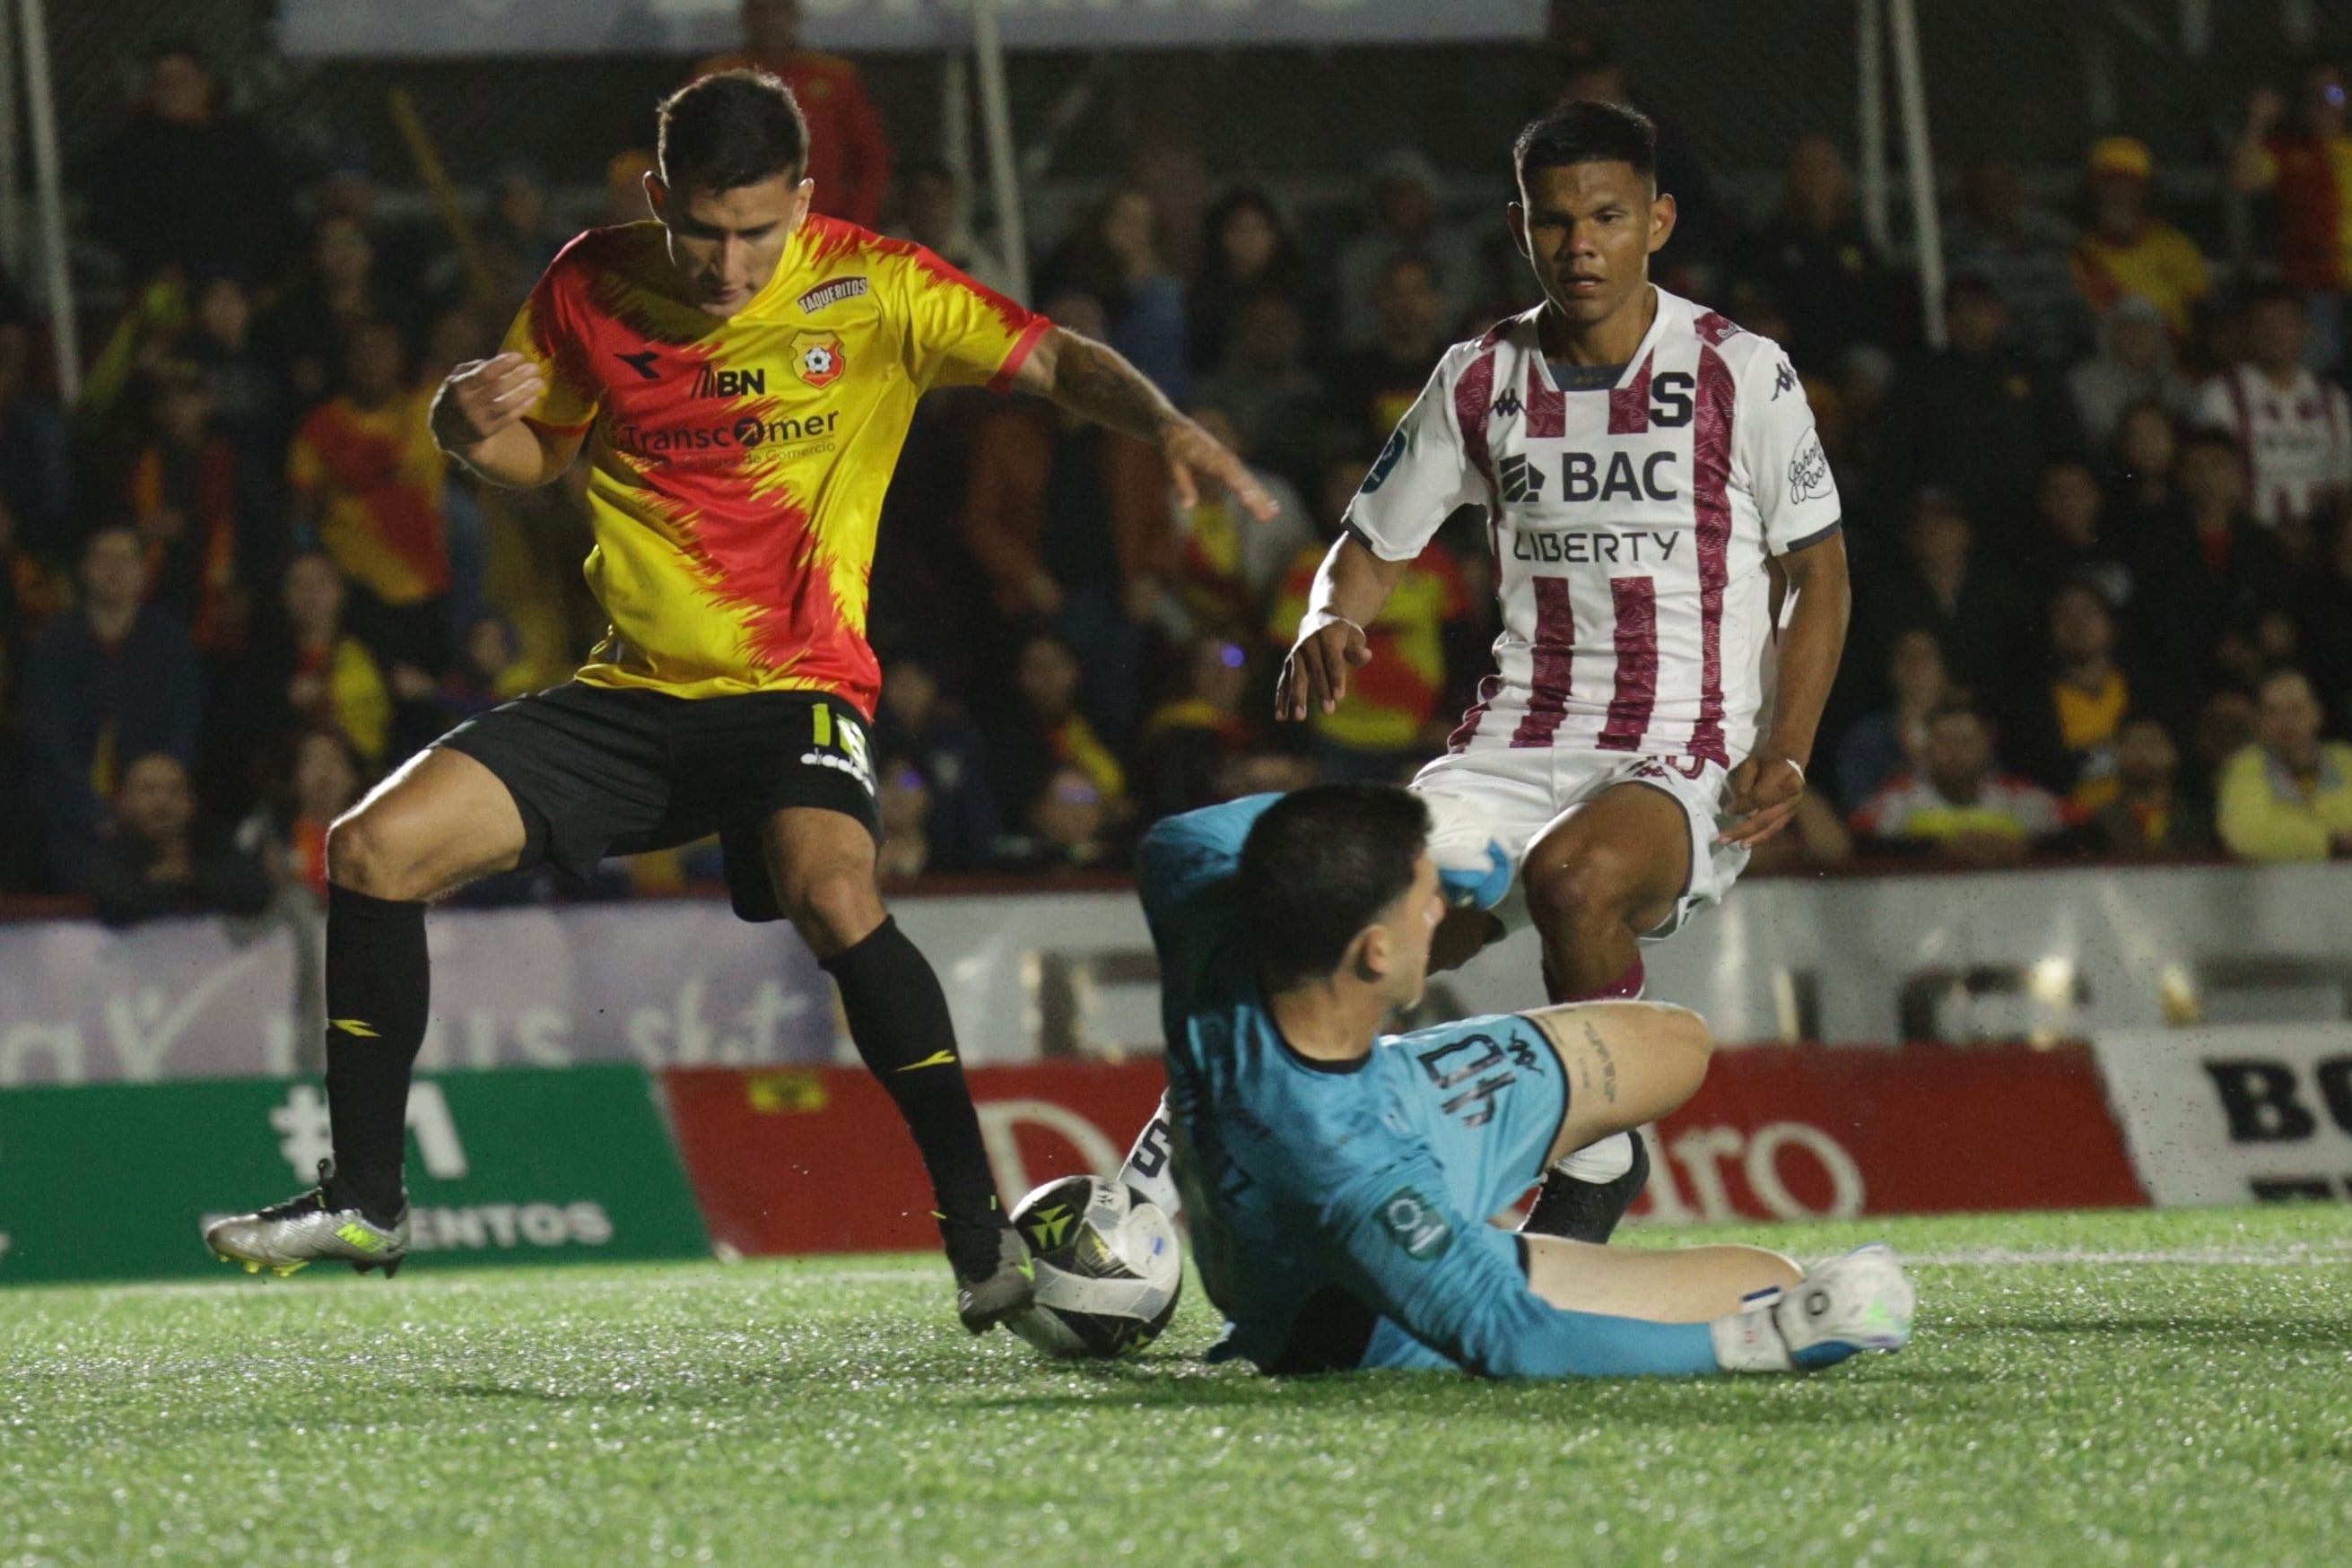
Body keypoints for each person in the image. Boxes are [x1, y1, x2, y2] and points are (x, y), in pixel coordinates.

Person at [203, 70, 1272, 1330]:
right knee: (370, 849)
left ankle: (976, 1231)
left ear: (802, 201)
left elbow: (1056, 359)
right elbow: (539, 452)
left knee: (834, 891)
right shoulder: (591, 282)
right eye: (703, 231)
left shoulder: (879, 286)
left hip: (795, 687)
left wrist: (1165, 424)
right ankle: (368, 1198)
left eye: (756, 231)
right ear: (658, 197)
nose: (726, 264)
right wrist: (460, 424)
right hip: (633, 694)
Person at [1276, 102, 1851, 1224]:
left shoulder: (1741, 371)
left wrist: (1787, 744)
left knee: (1576, 879)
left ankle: (1598, 1159)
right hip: (1511, 742)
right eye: (1554, 221)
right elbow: (1371, 545)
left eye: (1607, 217)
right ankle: (1202, 1197)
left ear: (1659, 221)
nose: (1580, 244)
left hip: (1681, 746)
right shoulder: (1479, 376)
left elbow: (1817, 573)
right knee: (1355, 934)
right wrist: (1326, 616)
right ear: (1518, 227)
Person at [1106, 786, 1914, 1379]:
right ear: (1375, 952)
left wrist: (1413, 818)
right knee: (1765, 1284)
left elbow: (1177, 836)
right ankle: (1506, 1245)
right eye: (1427, 898)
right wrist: (1772, 1338)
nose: (1447, 908)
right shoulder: (1349, 1174)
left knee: (1675, 1044)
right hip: (1356, 1308)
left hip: (1392, 1089)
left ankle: (1591, 1173)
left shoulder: (1205, 907)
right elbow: (1514, 1338)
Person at [20, 527, 203, 887]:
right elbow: (48, 734)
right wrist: (92, 807)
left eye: (125, 560)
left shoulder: (169, 641)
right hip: (71, 812)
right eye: (103, 560)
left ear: (143, 571)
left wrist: (159, 796)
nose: (113, 570)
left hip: (156, 811)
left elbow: (185, 723)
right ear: (85, 570)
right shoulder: (55, 643)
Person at [288, 320, 453, 678]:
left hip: (425, 582)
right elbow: (302, 505)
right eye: (361, 352)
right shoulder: (323, 426)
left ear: (399, 358)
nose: (371, 360)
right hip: (356, 592)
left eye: (381, 351)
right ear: (346, 360)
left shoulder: (427, 412)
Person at [1873, 275, 2083, 549]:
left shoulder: (2032, 371)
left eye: (1978, 308)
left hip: (2032, 515)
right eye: (1958, 311)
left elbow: (2066, 442)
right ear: (1946, 320)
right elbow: (1896, 458)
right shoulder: (1920, 380)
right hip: (1953, 521)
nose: (1969, 319)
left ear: (1999, 314)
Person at [81, 41, 295, 287]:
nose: (172, 89)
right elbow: (109, 219)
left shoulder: (243, 141)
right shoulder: (131, 149)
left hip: (247, 277)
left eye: (181, 79)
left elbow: (273, 208)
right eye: (163, 82)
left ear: (205, 84)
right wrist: (157, 264)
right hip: (168, 281)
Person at [691, 0, 892, 230]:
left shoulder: (835, 78)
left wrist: (857, 224)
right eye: (761, 10)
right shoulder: (713, 78)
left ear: (794, 15)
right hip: (736, 230)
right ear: (746, 17)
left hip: (820, 229)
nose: (771, 20)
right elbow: (683, 154)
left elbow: (872, 161)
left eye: (780, 9)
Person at [1724, 135, 1898, 375]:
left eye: (1824, 167)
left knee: (1868, 368)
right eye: (1806, 167)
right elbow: (1748, 297)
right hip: (1786, 353)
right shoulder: (1768, 241)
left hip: (1845, 349)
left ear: (1840, 177)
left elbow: (1874, 309)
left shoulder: (1856, 241)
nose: (1814, 177)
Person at [2191, 284, 2351, 536]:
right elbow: (2206, 481)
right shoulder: (2220, 396)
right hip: (2249, 540)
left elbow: (2343, 478)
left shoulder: (2332, 400)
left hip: (2322, 542)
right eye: (2264, 324)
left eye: (2284, 323)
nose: (2274, 334)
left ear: (2305, 330)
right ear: (2248, 332)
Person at [2229, 63, 2352, 370]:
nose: (2323, 103)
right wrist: (2258, 122)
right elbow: (2243, 180)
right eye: (2313, 95)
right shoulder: (2289, 151)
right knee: (2316, 362)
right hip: (2314, 286)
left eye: (2333, 94)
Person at [1851, 701, 2075, 867]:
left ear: (1988, 742)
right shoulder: (1899, 799)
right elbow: (1854, 844)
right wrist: (1935, 849)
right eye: (1944, 740)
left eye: (1966, 740)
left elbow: (2086, 832)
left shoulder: (2020, 797)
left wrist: (2028, 846)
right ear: (1928, 746)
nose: (1956, 752)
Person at [83, 751, 273, 928]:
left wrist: (185, 877)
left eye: (175, 790)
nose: (162, 802)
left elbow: (255, 892)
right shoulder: (109, 849)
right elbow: (116, 902)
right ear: (124, 802)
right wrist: (178, 884)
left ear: (191, 802)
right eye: (148, 790)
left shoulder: (212, 840)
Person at [1332, 150, 1480, 352]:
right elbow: (1356, 322)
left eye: (1412, 192)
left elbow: (1464, 312)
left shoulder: (1457, 249)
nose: (1403, 202)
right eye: (1394, 193)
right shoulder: (1357, 258)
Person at [1945, 159, 2086, 365]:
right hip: (2002, 364)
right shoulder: (1962, 251)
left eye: (2004, 186)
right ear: (1973, 197)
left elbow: (2075, 303)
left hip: (2065, 358)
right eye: (1987, 187)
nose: (1997, 195)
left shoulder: (2051, 239)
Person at [2070, 137, 2209, 344]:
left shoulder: (2175, 247)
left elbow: (2204, 317)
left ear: (2146, 191)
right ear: (2092, 190)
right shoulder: (2077, 255)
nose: (2119, 192)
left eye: (2130, 183)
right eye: (2109, 182)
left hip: (2174, 357)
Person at [2215, 668, 2352, 862]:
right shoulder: (2244, 765)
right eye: (2272, 711)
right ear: (2259, 720)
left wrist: (2288, 822)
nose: (2285, 721)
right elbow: (2246, 835)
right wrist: (2331, 842)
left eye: (2296, 709)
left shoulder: (2344, 760)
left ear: (2316, 714)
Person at [1323, 255, 1452, 449]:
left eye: (1417, 291)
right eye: (1396, 292)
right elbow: (1344, 444)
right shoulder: (1353, 372)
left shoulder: (1459, 368)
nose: (1406, 304)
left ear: (1437, 301)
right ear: (1380, 301)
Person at [1836, 628, 1949, 814]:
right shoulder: (1867, 737)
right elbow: (1858, 806)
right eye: (1907, 657)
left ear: (1944, 671)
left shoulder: (1968, 733)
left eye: (1926, 657)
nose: (1916, 667)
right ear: (1892, 671)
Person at [2067, 294, 2194, 451]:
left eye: (2144, 327)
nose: (2137, 334)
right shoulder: (2085, 381)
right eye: (2127, 327)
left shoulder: (2177, 379)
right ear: (2110, 336)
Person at [2090, 715, 2211, 858]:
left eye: (2151, 743)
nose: (2139, 753)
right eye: (2130, 744)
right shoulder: (2098, 823)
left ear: (2174, 753)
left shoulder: (2201, 822)